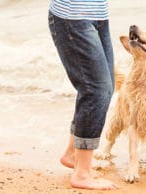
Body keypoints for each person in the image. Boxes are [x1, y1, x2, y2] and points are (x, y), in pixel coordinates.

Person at [48, 0, 117, 190]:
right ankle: (82, 174)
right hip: (73, 17)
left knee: (105, 88)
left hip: (97, 15)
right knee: (96, 90)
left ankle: (72, 154)